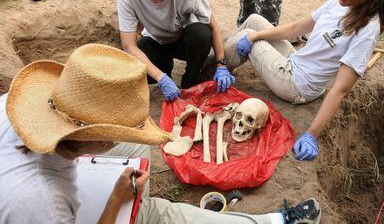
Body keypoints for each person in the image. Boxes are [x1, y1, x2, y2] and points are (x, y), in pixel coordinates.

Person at [0, 44, 321, 224]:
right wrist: (116, 201)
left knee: (135, 154)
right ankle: (275, 223)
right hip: (62, 206)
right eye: (121, 132)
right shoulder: (42, 205)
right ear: (99, 140)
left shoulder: (12, 107)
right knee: (160, 214)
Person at [224, 0, 384, 160]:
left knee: (248, 35)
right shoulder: (341, 2)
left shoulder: (367, 32)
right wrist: (257, 35)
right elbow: (297, 27)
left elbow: (341, 89)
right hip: (294, 61)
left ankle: (217, 66)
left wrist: (311, 135)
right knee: (255, 21)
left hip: (297, 85)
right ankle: (222, 62)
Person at [117, 0, 235, 101]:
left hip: (185, 40)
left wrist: (221, 65)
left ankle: (191, 83)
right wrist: (160, 77)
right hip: (155, 41)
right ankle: (165, 69)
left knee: (201, 34)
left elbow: (213, 27)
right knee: (143, 67)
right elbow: (129, 45)